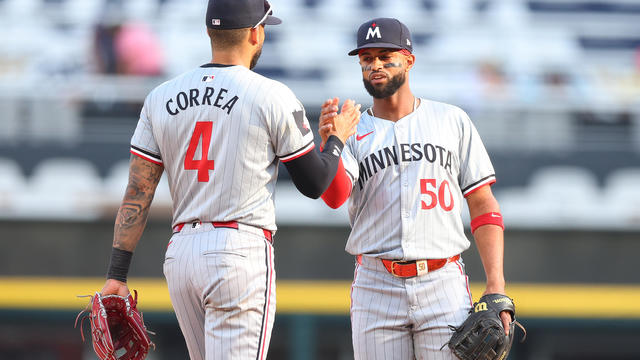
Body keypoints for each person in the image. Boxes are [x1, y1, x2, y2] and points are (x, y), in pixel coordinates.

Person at [98, 1, 360, 359]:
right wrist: (337, 140)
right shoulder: (271, 94)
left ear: (209, 32)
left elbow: (138, 191)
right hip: (238, 251)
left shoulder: (160, 96)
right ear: (255, 33)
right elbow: (314, 184)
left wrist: (117, 274)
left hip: (181, 256)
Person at [318, 18, 512, 359]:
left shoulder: (451, 120)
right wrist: (331, 144)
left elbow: (483, 203)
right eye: (366, 58)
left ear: (409, 59)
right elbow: (335, 198)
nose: (375, 64)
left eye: (384, 55)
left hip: (442, 280)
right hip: (376, 283)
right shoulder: (351, 128)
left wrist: (495, 282)